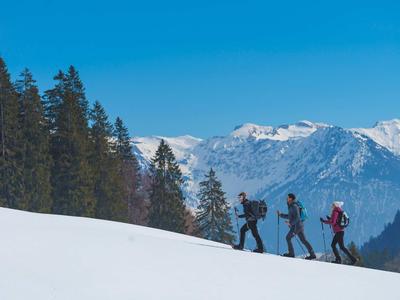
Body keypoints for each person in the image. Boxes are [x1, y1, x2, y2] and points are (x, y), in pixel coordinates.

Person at [277, 193, 316, 260]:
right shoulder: (291, 206)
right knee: (303, 240)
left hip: (296, 226)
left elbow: (297, 217)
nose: (286, 198)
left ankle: (291, 254)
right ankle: (312, 254)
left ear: (291, 198)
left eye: (288, 197)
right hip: (299, 225)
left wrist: (290, 223)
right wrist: (280, 215)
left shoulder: (294, 206)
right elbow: (290, 216)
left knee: (288, 238)